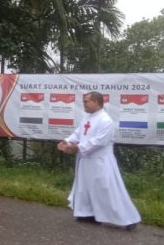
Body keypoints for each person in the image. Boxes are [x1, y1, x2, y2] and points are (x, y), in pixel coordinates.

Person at [57, 91, 140, 230]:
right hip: (86, 160)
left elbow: (99, 141)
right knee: (85, 188)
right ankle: (88, 214)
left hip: (101, 162)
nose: (84, 104)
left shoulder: (105, 120)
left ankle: (127, 219)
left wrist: (77, 147)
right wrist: (67, 141)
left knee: (106, 190)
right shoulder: (87, 117)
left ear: (96, 102)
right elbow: (79, 132)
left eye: (86, 101)